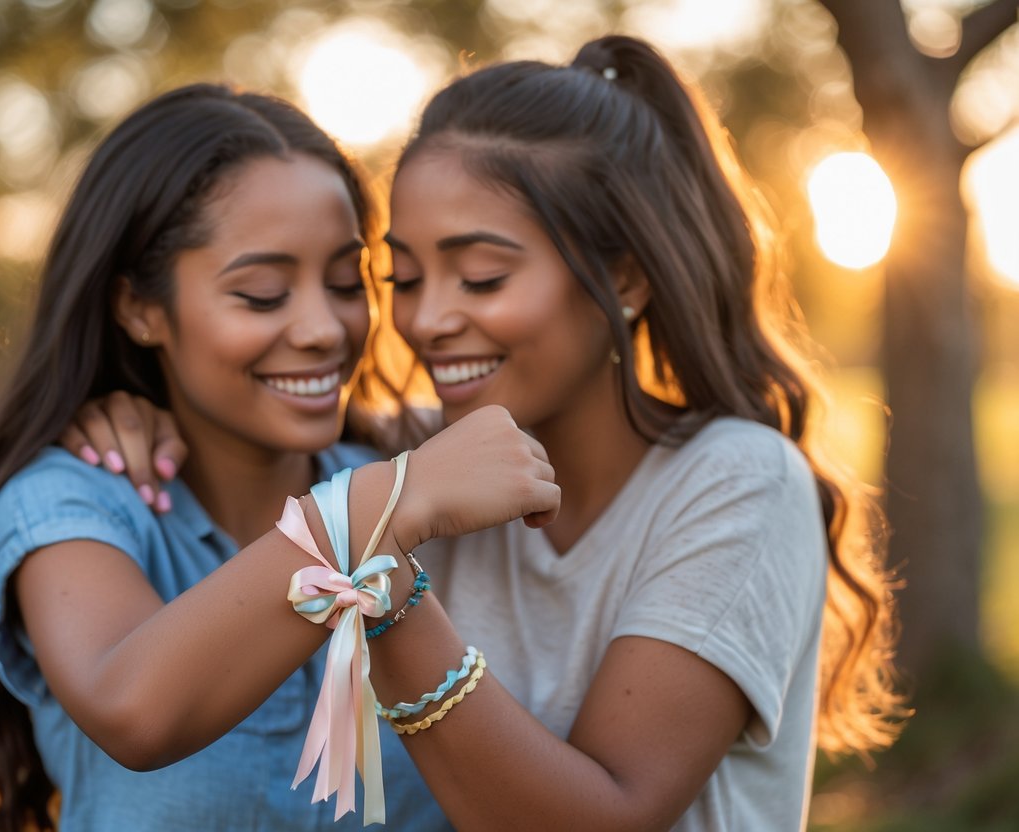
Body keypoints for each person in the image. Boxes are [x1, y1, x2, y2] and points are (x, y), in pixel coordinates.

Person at [70, 35, 908, 830]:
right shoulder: (410, 463)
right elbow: (262, 448)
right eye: (403, 276)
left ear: (622, 276)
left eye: (481, 276)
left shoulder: (735, 481)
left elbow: (610, 816)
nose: (428, 320)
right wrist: (140, 405)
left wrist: (387, 586)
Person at [0, 83, 559, 832]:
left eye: (346, 283)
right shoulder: (77, 502)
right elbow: (133, 707)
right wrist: (378, 509)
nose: (323, 329)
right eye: (263, 294)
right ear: (140, 309)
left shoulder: (405, 468)